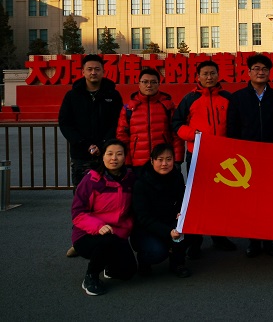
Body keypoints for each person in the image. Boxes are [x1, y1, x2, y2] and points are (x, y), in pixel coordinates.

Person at [59, 54, 123, 257]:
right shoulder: (72, 95)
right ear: (83, 72)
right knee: (81, 199)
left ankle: (111, 237)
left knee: (110, 199)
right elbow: (65, 123)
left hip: (109, 155)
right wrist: (85, 144)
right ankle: (79, 240)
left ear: (103, 71)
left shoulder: (113, 94)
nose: (93, 72)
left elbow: (117, 122)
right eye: (89, 69)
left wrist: (104, 145)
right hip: (81, 156)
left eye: (97, 69)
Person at [172, 60, 237, 253]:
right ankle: (195, 240)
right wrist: (193, 135)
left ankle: (219, 236)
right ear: (198, 77)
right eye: (205, 74)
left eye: (212, 73)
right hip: (197, 154)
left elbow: (235, 124)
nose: (209, 77)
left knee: (220, 199)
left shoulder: (227, 98)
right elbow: (177, 124)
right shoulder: (189, 99)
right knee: (196, 198)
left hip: (223, 157)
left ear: (218, 75)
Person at [227, 54, 273, 258]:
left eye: (264, 69)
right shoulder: (238, 98)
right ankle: (253, 240)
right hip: (247, 159)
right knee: (251, 201)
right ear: (249, 72)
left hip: (271, 157)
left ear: (269, 73)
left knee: (270, 200)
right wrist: (236, 154)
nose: (260, 72)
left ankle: (268, 240)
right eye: (256, 68)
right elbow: (232, 129)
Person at [71, 139, 136, 296]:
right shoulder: (91, 179)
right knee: (106, 241)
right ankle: (91, 276)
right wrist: (98, 226)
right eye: (110, 154)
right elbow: (78, 213)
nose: (114, 158)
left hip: (117, 234)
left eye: (119, 154)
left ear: (125, 157)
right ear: (103, 156)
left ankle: (109, 265)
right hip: (87, 234)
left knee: (128, 273)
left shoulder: (130, 179)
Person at [132, 143, 192, 278]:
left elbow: (182, 200)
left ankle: (177, 263)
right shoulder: (141, 183)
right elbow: (143, 218)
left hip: (170, 221)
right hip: (147, 229)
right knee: (157, 252)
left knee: (187, 228)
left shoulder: (177, 176)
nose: (164, 163)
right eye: (160, 159)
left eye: (169, 159)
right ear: (152, 160)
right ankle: (144, 261)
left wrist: (181, 213)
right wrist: (168, 231)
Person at [116, 68, 184, 174]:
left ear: (159, 84)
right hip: (138, 163)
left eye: (153, 82)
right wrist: (127, 162)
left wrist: (177, 160)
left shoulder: (167, 106)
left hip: (162, 161)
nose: (149, 85)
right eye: (145, 82)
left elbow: (176, 135)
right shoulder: (129, 108)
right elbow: (122, 137)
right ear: (139, 84)